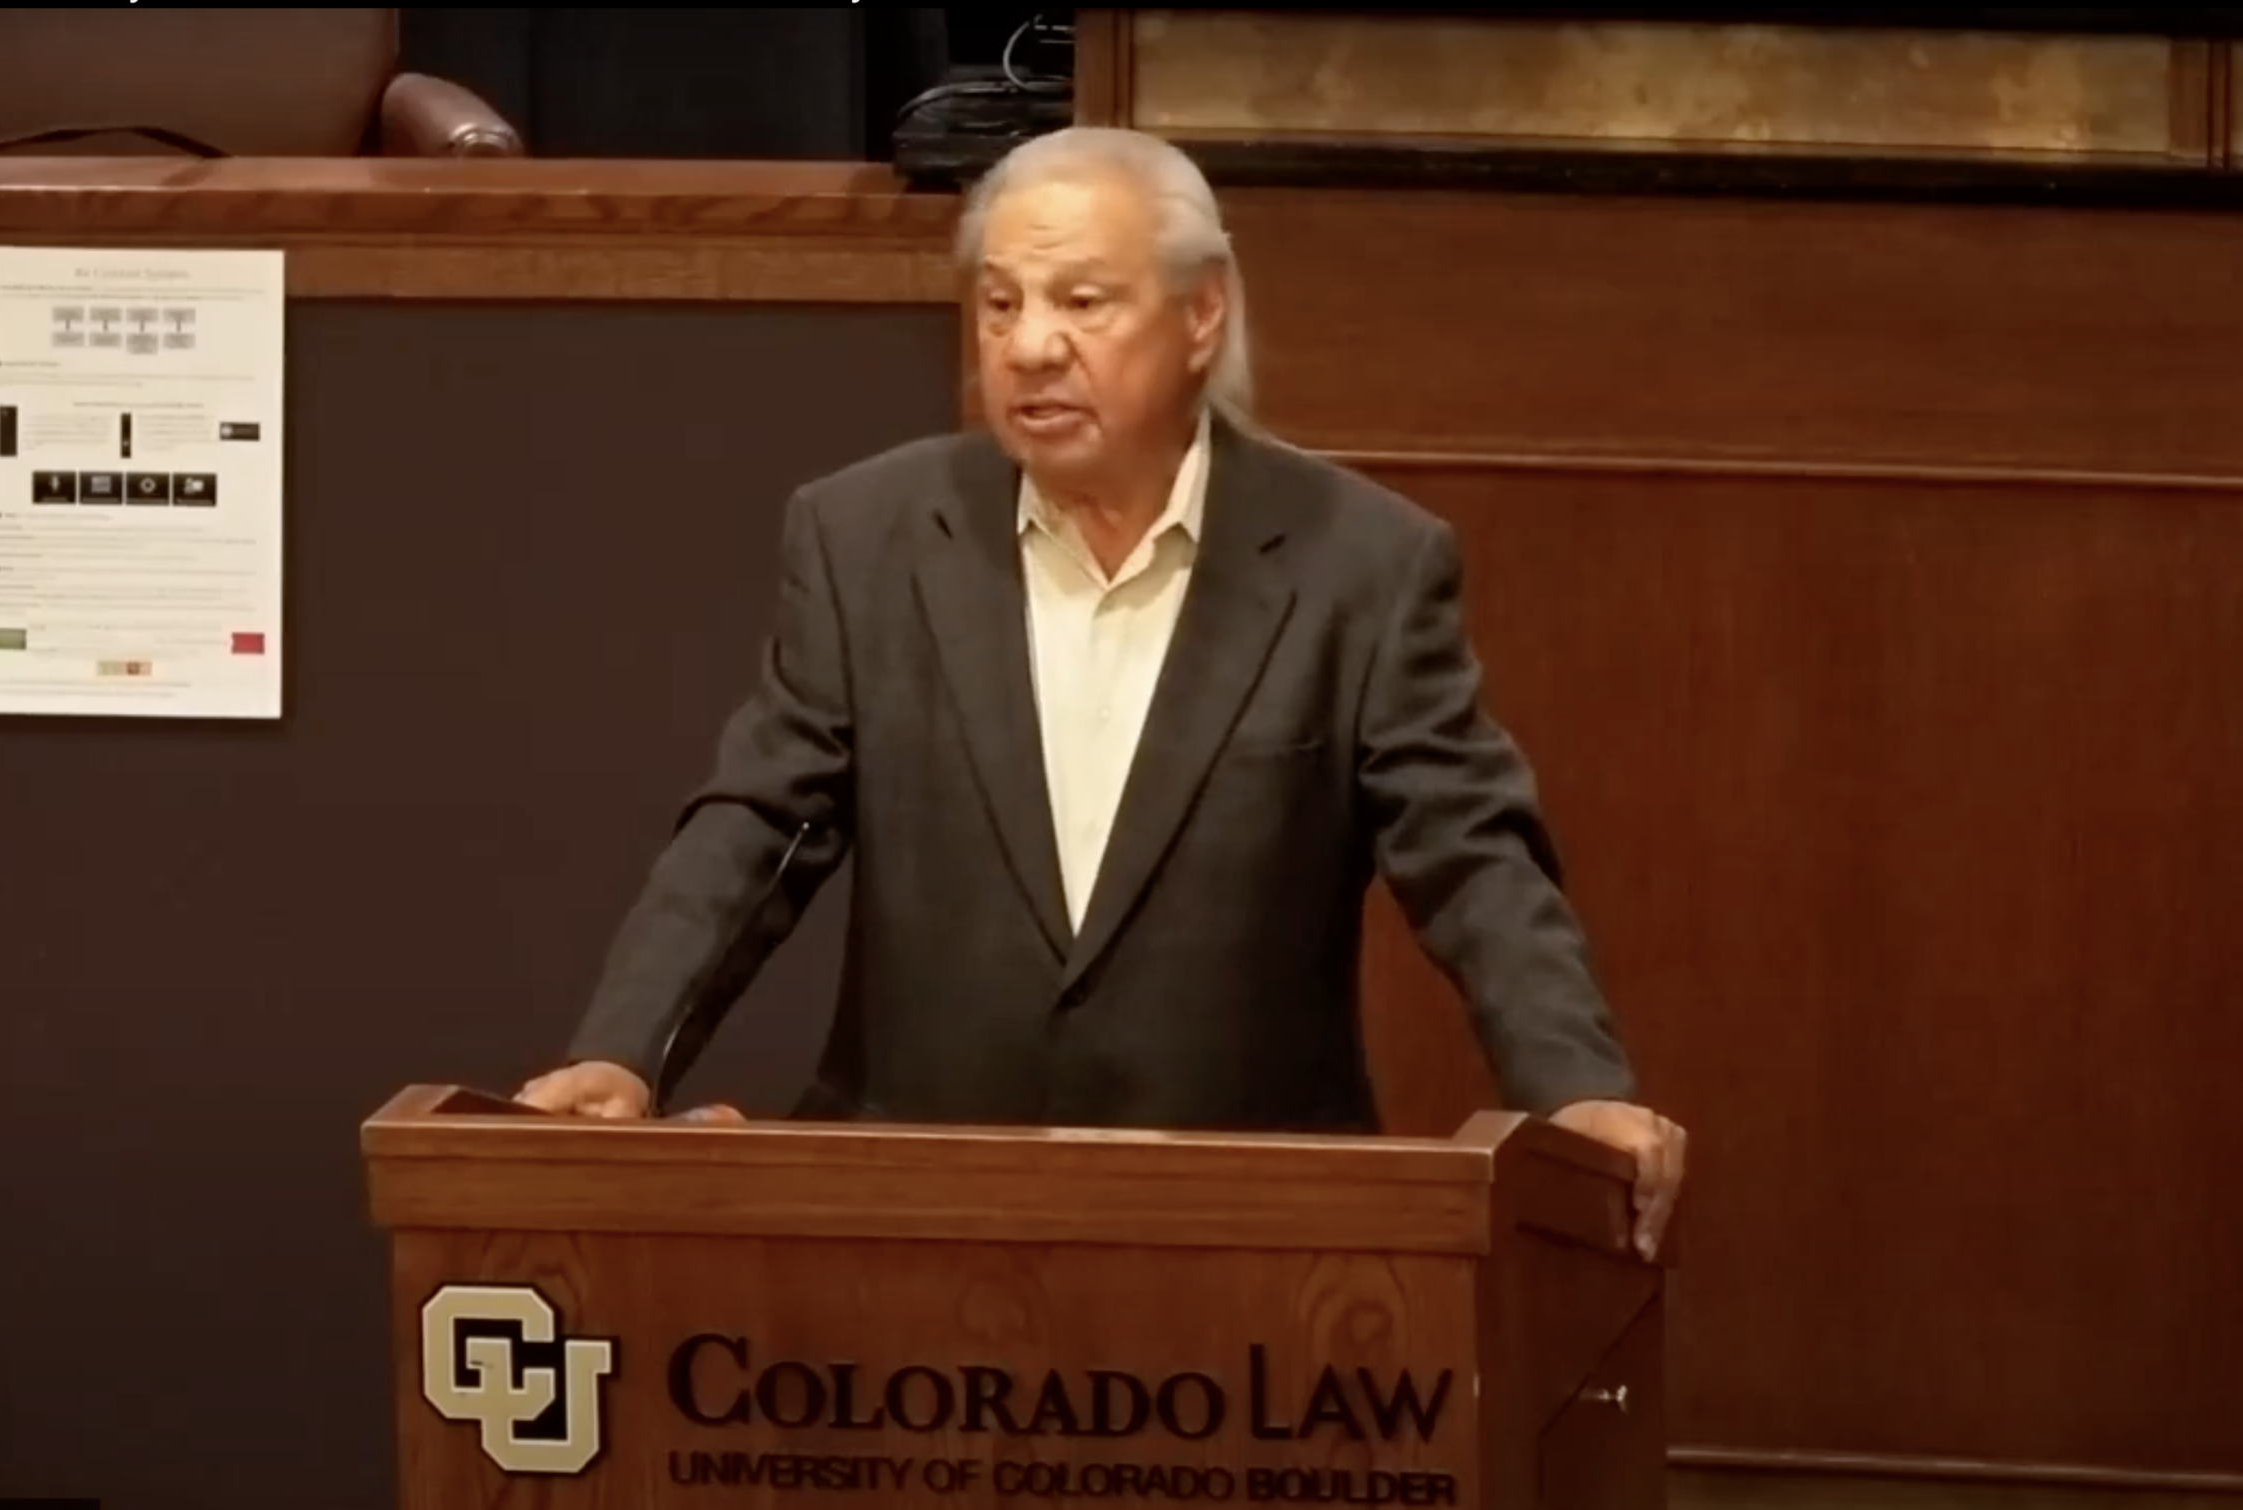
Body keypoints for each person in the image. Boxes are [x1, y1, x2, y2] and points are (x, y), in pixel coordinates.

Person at [520, 127, 1687, 1257]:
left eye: (1081, 301)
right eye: (1000, 303)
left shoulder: (1360, 566)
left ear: (1200, 312)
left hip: (1252, 1227)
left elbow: (1472, 860)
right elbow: (760, 825)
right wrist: (623, 1051)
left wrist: (1573, 1090)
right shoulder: (864, 537)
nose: (1030, 345)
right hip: (914, 1207)